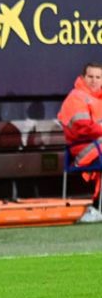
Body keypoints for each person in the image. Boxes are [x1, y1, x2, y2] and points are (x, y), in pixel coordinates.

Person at [57, 62, 102, 202]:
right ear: (83, 77)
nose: (94, 80)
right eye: (90, 76)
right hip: (84, 149)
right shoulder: (76, 97)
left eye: (98, 77)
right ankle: (97, 206)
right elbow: (82, 128)